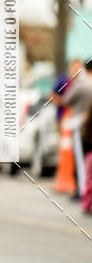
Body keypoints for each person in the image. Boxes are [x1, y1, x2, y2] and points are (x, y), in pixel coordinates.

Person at [52, 58, 92, 198]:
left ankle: (81, 191)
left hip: (80, 126)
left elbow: (67, 99)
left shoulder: (81, 85)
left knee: (81, 159)